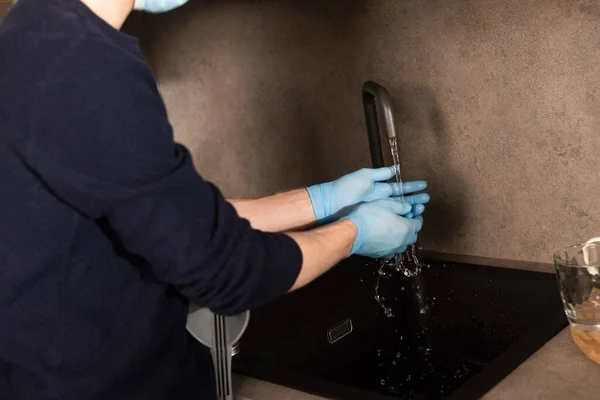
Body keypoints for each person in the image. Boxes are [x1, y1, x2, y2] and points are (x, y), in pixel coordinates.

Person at [0, 0, 430, 399]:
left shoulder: (35, 34)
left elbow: (174, 223)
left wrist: (320, 201)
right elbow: (226, 271)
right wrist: (355, 232)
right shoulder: (84, 65)